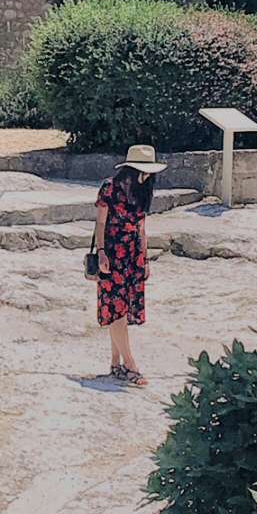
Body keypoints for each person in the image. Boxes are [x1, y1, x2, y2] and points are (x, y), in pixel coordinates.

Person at [93, 144, 165, 386]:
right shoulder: (109, 188)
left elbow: (142, 227)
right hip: (112, 257)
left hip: (133, 258)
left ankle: (116, 363)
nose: (147, 176)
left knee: (121, 312)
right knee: (117, 311)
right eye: (144, 171)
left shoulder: (141, 190)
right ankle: (131, 365)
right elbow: (100, 224)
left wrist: (145, 259)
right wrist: (102, 253)